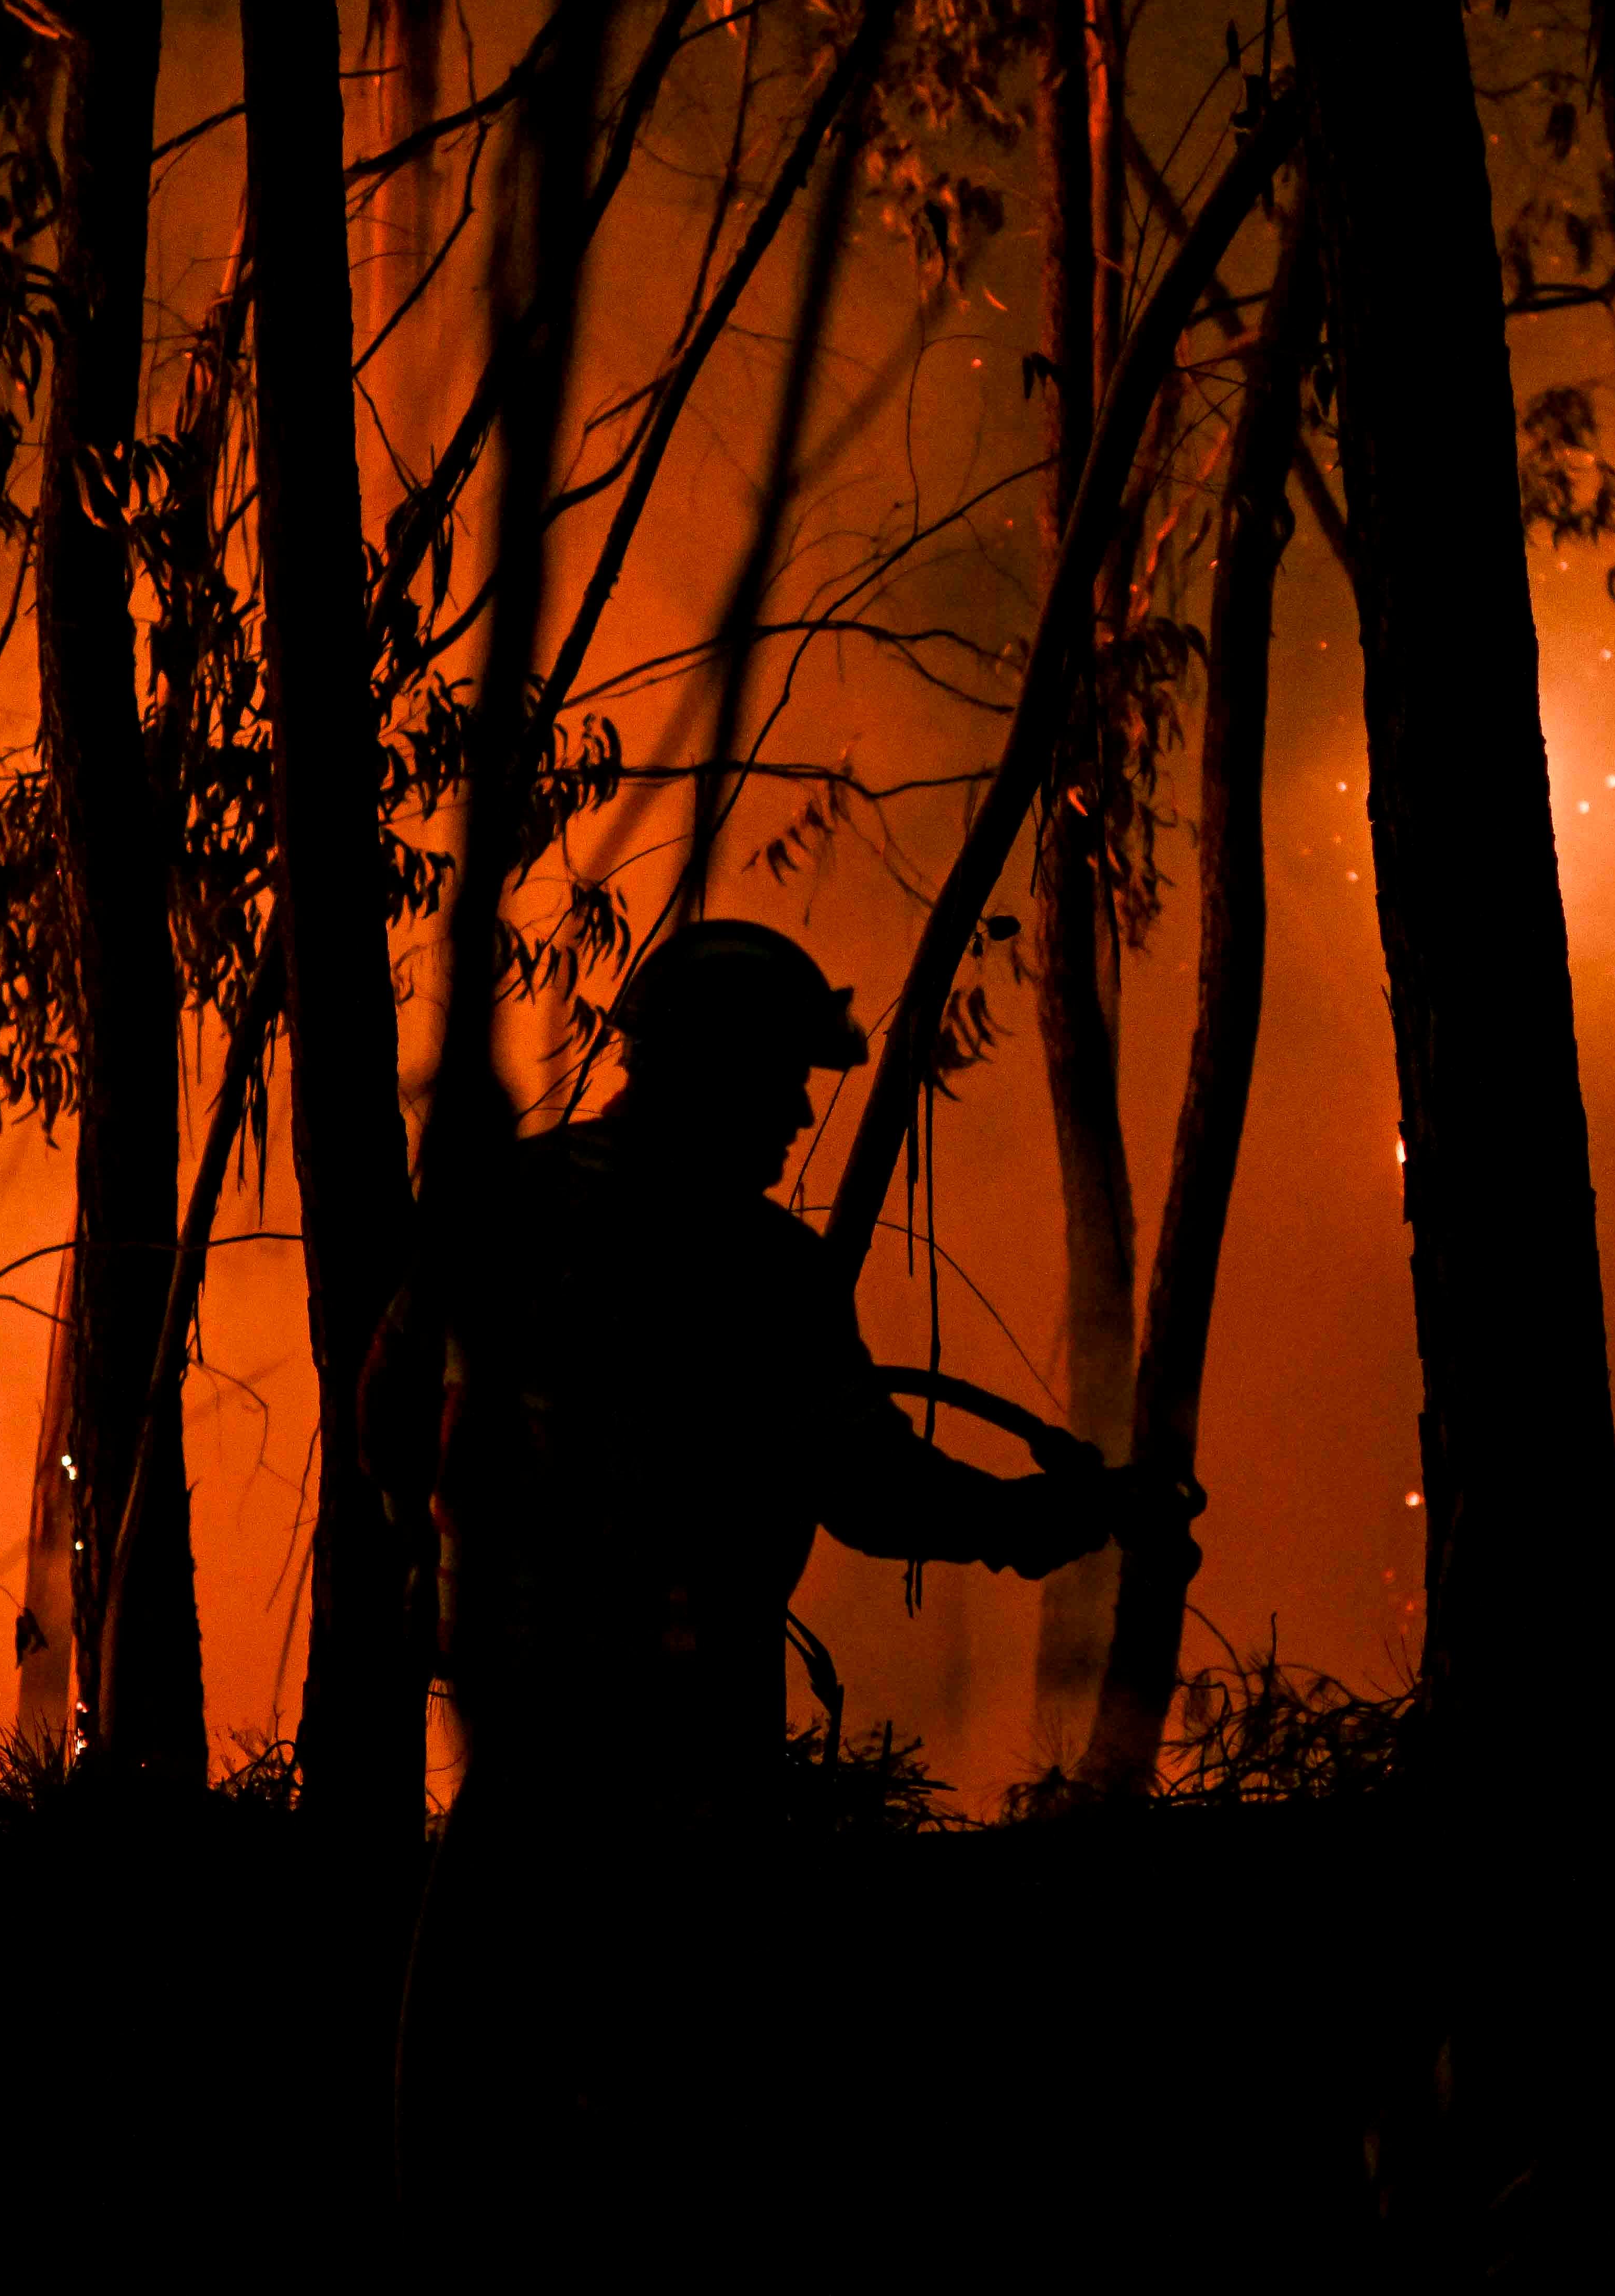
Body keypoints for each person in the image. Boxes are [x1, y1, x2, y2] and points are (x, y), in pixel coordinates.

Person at [378, 919, 1192, 2229]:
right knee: (683, 2080)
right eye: (780, 1081)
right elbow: (873, 1489)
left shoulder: (502, 1204)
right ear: (711, 1069)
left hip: (515, 1719)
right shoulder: (760, 1267)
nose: (798, 1115)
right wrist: (1059, 1514)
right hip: (684, 1737)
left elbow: (387, 1406)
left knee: (478, 2067)